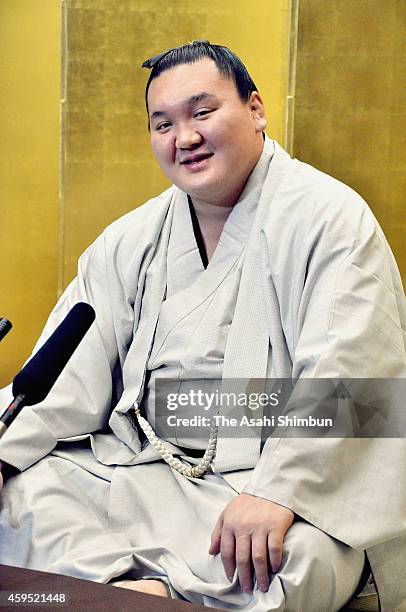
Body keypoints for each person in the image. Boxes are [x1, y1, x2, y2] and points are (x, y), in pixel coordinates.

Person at [0, 41, 405, 611]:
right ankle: (133, 592)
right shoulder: (131, 239)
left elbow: (355, 379)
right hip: (148, 465)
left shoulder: (329, 218)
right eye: (161, 123)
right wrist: (3, 450)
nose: (182, 137)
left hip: (267, 480)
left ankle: (127, 591)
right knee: (25, 488)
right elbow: (69, 371)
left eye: (202, 112)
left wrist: (278, 490)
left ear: (257, 109)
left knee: (297, 557)